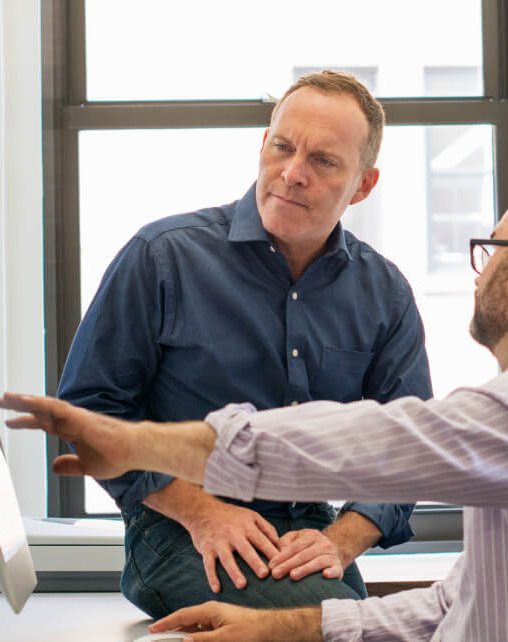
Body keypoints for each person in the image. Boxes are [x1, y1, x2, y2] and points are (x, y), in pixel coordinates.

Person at [0, 189, 508, 641]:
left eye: (484, 254)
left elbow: (388, 440)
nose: (478, 274)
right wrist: (281, 629)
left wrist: (139, 441)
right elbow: (455, 602)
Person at [55, 70, 432, 618]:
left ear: (364, 185)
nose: (293, 173)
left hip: (310, 531)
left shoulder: (385, 293)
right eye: (283, 147)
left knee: (349, 615)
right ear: (263, 145)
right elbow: (87, 415)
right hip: (177, 526)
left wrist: (344, 538)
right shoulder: (162, 256)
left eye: (324, 161)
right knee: (328, 617)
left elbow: (407, 448)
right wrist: (205, 514)